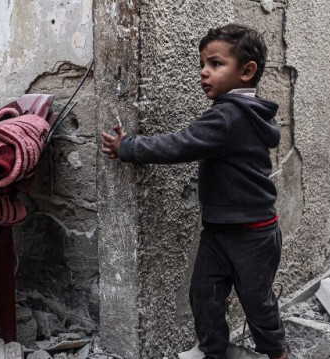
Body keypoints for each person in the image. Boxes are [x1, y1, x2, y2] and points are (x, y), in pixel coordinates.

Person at [100, 23, 288, 359]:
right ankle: (213, 349)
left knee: (256, 300)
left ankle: (276, 352)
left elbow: (180, 145)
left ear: (247, 71)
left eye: (215, 64)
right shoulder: (235, 112)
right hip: (220, 230)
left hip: (252, 234)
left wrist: (127, 147)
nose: (204, 72)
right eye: (202, 64)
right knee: (204, 292)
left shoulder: (229, 116)